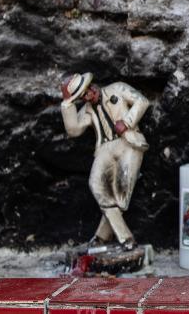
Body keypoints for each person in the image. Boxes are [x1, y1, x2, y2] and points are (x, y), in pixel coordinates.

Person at [60, 73, 149, 250]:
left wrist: (127, 122)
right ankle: (126, 238)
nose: (88, 96)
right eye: (82, 96)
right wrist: (66, 104)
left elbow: (142, 101)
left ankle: (102, 236)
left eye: (88, 90)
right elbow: (74, 130)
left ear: (92, 85)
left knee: (122, 195)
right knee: (96, 185)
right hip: (105, 148)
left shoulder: (117, 88)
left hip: (129, 142)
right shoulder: (87, 109)